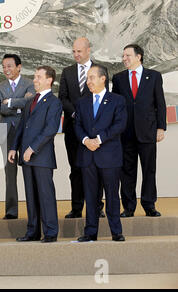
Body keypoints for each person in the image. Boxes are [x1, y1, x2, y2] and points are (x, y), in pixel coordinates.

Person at [112, 44, 166, 218]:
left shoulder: (154, 76)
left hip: (148, 131)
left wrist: (160, 127)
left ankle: (149, 205)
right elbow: (116, 107)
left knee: (149, 170)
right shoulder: (118, 78)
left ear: (139, 56)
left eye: (127, 55)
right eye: (123, 56)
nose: (124, 59)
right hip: (125, 133)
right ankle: (128, 207)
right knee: (127, 171)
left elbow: (160, 104)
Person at [9, 66, 62, 243]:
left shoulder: (54, 102)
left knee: (45, 196)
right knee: (31, 196)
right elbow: (21, 127)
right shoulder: (30, 101)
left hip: (41, 157)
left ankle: (50, 232)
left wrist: (32, 148)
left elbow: (50, 129)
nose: (35, 80)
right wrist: (13, 148)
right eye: (34, 77)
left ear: (49, 80)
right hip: (25, 157)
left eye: (39, 77)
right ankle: (33, 232)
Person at [75, 65, 127, 242]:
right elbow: (77, 126)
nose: (88, 82)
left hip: (109, 157)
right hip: (88, 157)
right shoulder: (82, 102)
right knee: (90, 197)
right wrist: (85, 140)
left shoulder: (117, 100)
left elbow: (119, 125)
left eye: (91, 78)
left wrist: (98, 139)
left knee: (112, 195)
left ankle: (116, 232)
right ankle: (90, 232)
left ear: (103, 78)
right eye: (88, 78)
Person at [58, 37, 106, 219]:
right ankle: (76, 208)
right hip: (72, 129)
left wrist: (86, 116)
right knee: (76, 169)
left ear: (88, 50)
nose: (76, 54)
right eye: (74, 51)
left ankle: (96, 207)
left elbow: (101, 97)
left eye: (79, 51)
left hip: (94, 131)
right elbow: (63, 97)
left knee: (95, 168)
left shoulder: (101, 70)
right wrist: (75, 114)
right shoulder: (67, 71)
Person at [0, 54, 35, 219]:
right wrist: (19, 103)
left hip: (25, 130)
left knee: (29, 170)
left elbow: (30, 103)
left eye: (9, 66)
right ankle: (11, 211)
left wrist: (9, 102)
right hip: (6, 132)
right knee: (9, 174)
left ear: (19, 67)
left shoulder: (30, 83)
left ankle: (34, 210)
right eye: (4, 66)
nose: (6, 70)